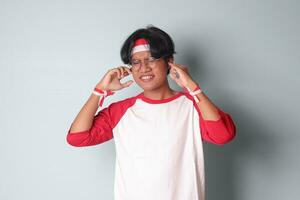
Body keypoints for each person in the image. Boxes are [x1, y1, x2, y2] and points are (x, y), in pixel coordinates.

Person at [66, 25, 236, 200]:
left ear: (169, 62)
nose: (144, 68)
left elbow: (223, 134)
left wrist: (191, 87)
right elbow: (77, 137)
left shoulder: (193, 106)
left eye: (152, 59)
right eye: (136, 62)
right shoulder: (120, 111)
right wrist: (100, 91)